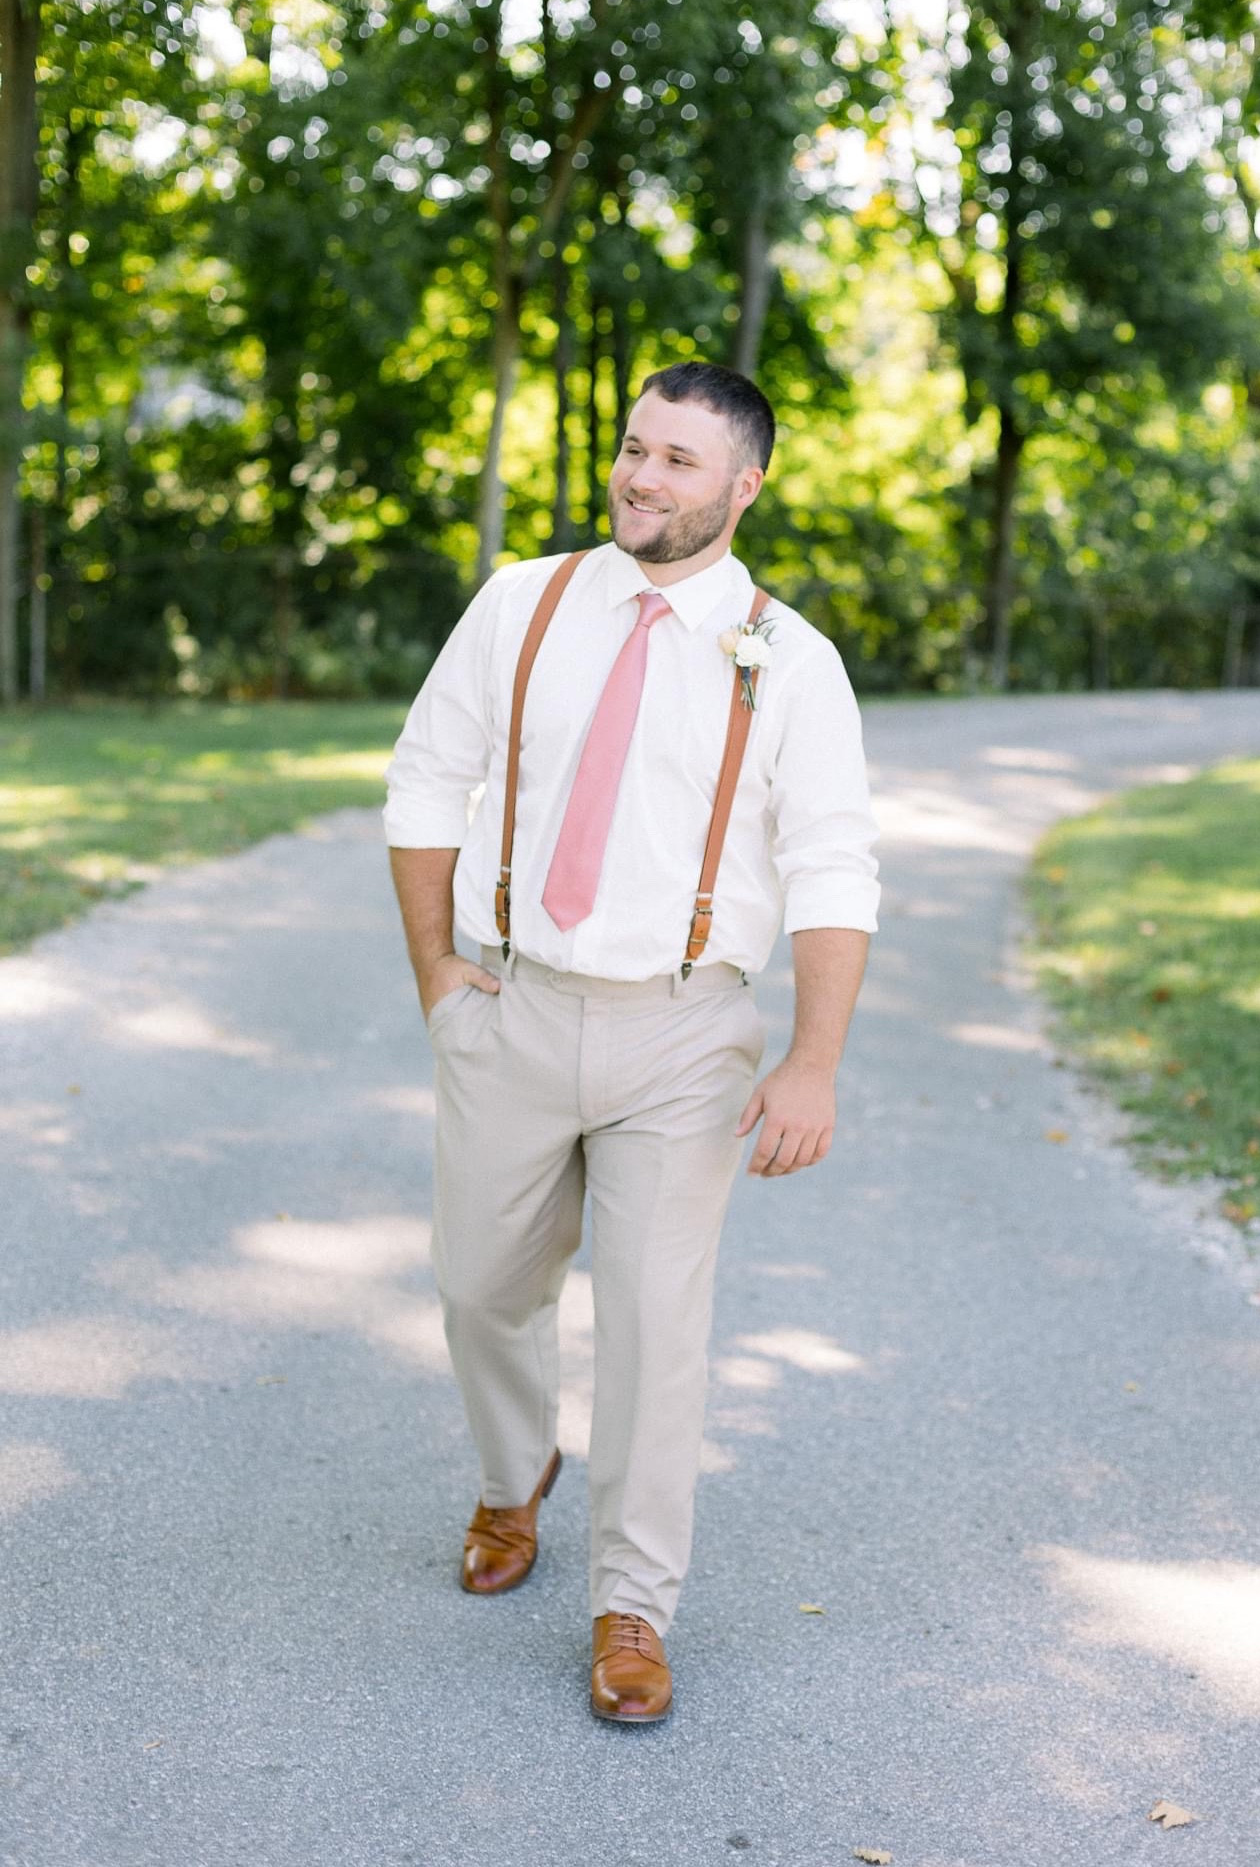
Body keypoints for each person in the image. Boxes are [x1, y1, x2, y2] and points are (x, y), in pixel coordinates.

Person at [383, 360, 879, 1723]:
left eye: (676, 460)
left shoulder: (793, 663)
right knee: (481, 1284)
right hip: (516, 1005)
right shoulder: (523, 604)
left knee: (659, 1326)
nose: (640, 477)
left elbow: (836, 870)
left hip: (685, 1032)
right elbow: (426, 777)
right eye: (632, 447)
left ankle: (632, 1602)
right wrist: (439, 975)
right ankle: (511, 1474)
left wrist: (813, 1060)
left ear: (744, 485)